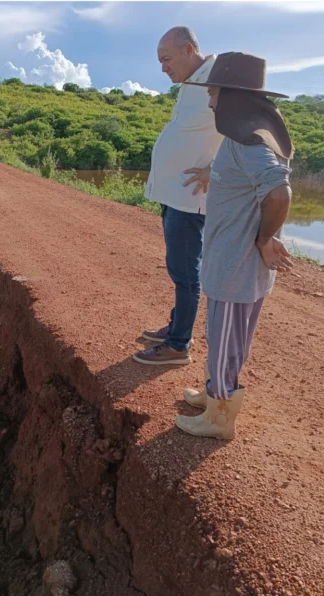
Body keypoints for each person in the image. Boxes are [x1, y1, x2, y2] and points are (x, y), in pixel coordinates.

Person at [176, 52, 294, 440]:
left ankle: (220, 416)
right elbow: (247, 177)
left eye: (213, 93)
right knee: (225, 337)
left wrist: (264, 238)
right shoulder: (243, 137)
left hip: (235, 265)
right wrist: (215, 174)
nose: (210, 102)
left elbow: (278, 192)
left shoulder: (249, 144)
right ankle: (214, 393)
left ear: (234, 97)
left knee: (226, 339)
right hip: (233, 263)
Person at [134, 27, 223, 367]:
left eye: (166, 59)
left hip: (190, 200)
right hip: (175, 197)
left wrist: (213, 170)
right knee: (179, 269)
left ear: (188, 49)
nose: (162, 69)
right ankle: (175, 327)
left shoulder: (218, 81)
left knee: (185, 273)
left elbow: (243, 136)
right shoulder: (193, 83)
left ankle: (178, 345)